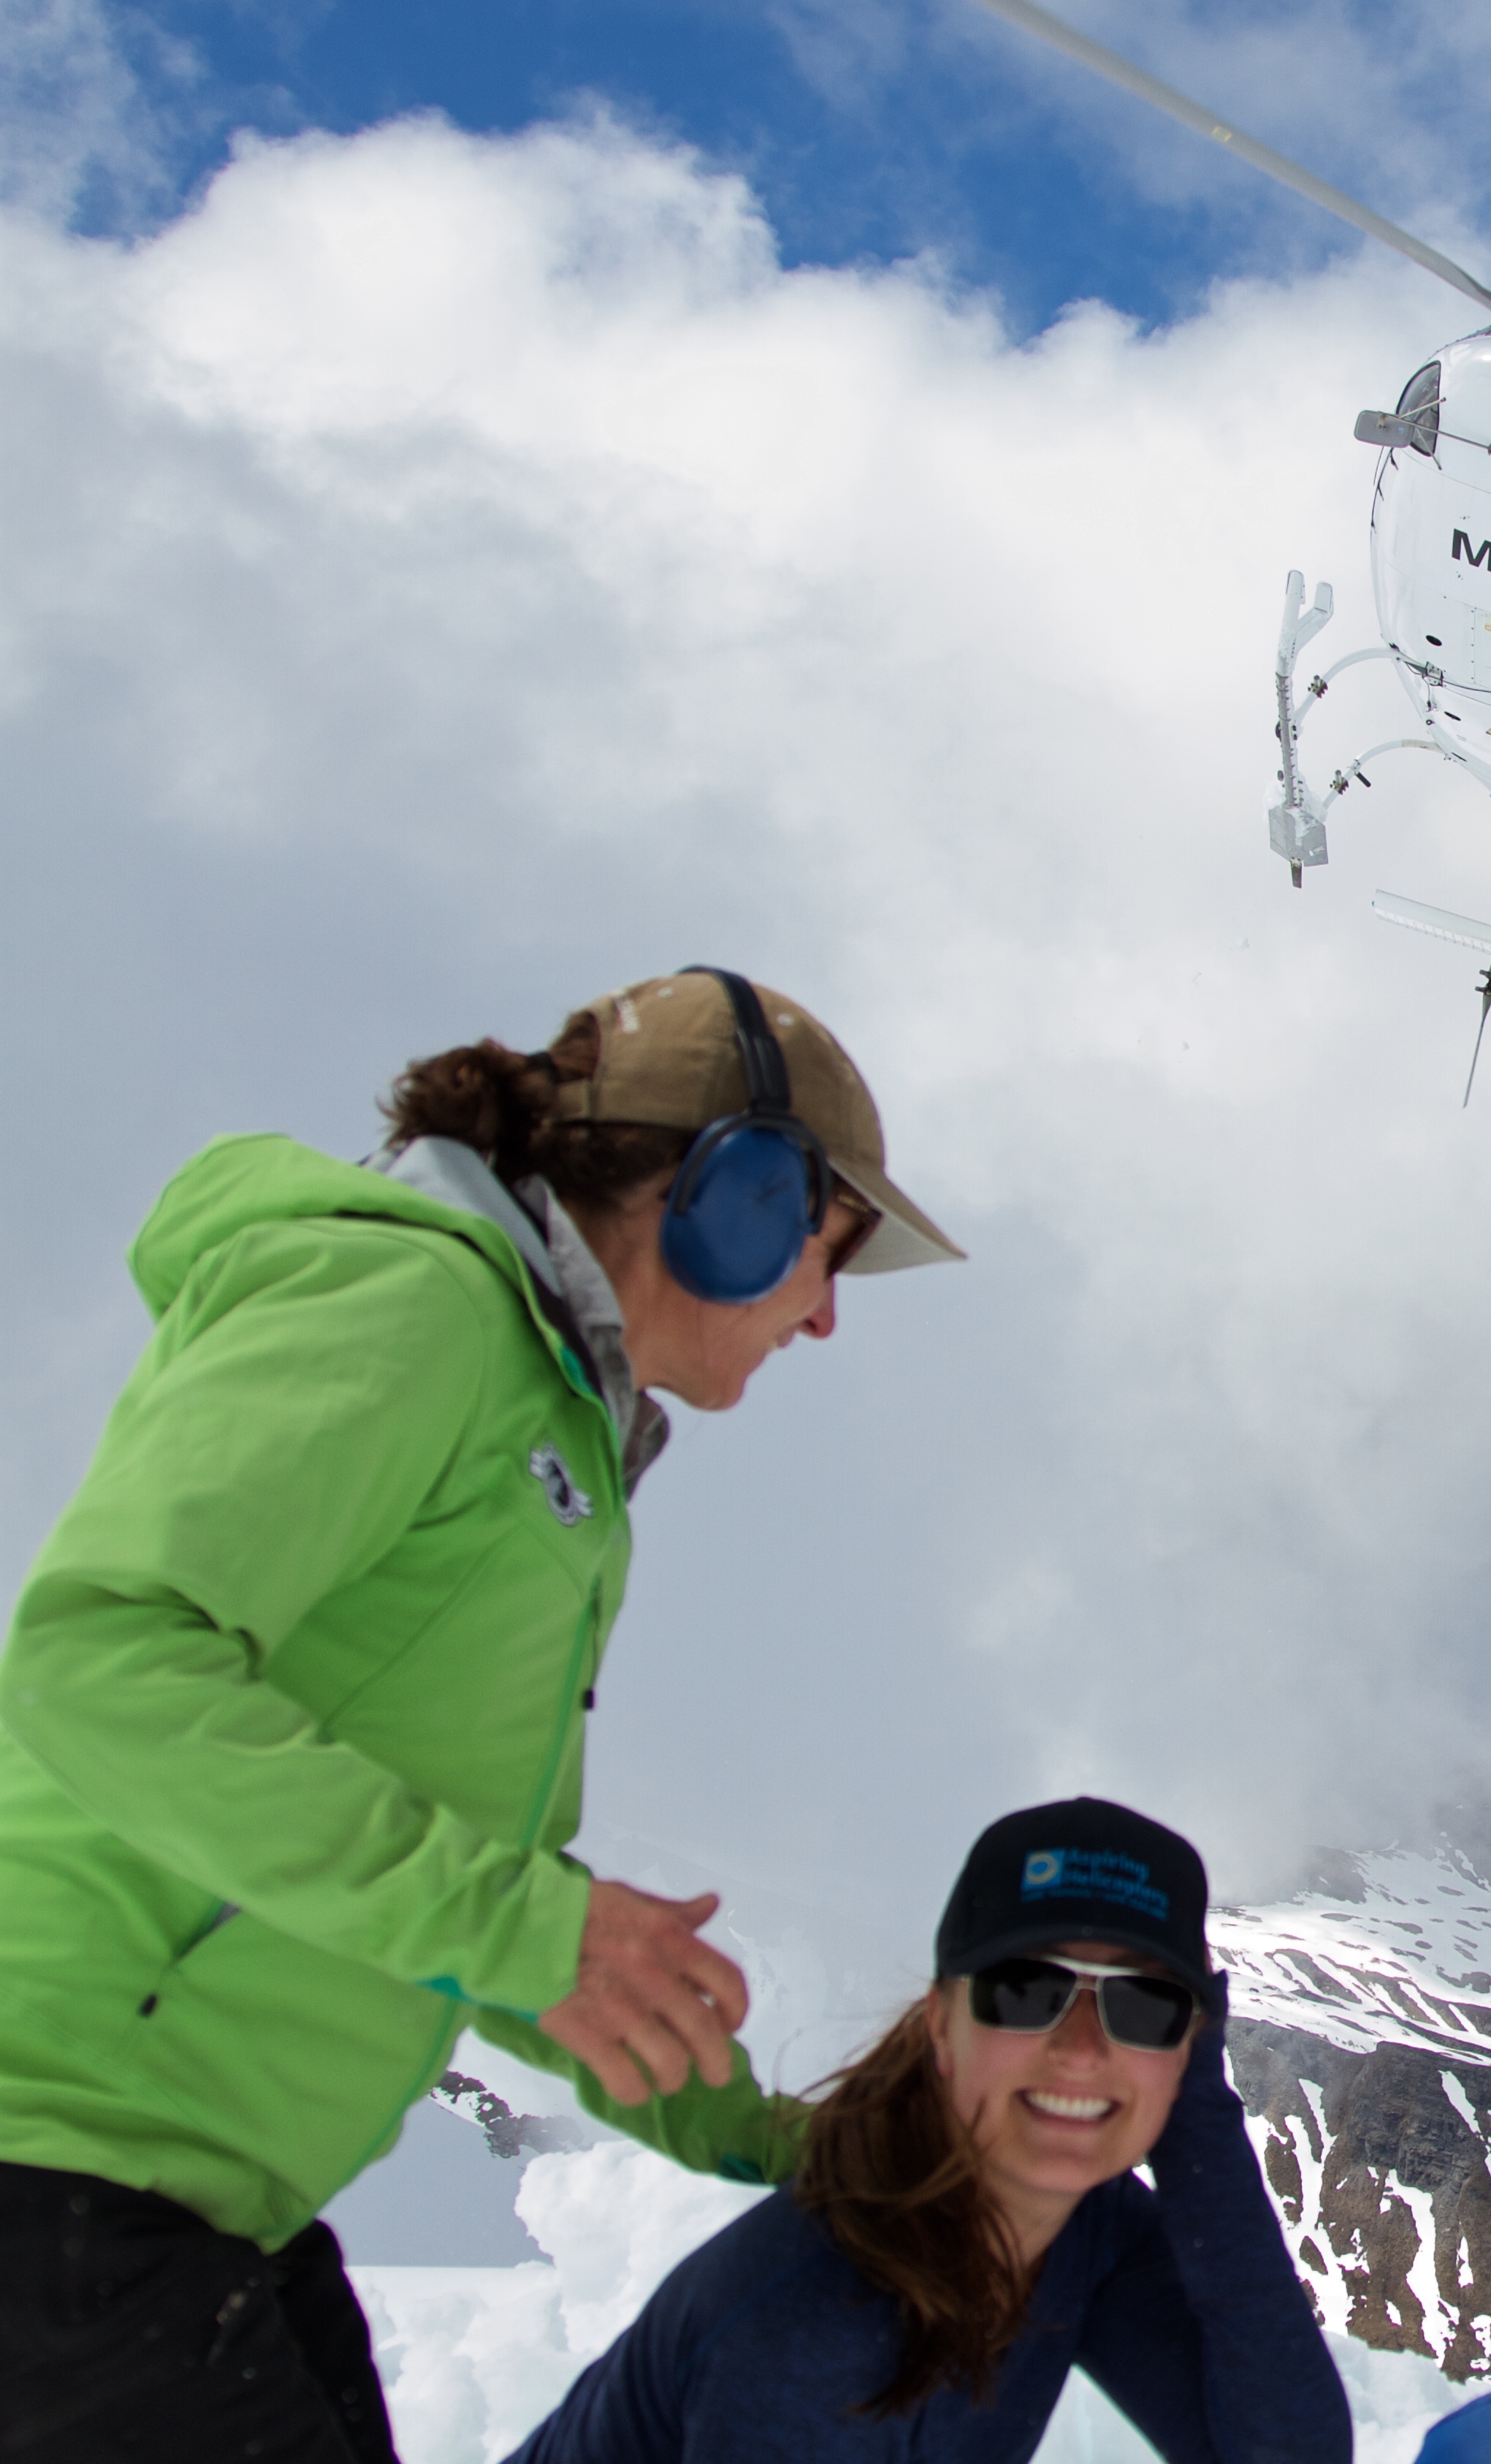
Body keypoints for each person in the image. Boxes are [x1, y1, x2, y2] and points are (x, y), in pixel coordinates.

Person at [0, 968, 961, 2464]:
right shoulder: (414, 1302)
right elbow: (96, 1655)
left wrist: (767, 2139)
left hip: (187, 2215)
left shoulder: (551, 1423)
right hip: (53, 2181)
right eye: (827, 1253)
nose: (827, 1318)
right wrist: (526, 1928)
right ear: (738, 1201)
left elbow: (466, 1897)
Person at [510, 1797, 1352, 2464]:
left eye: (1144, 2007)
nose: (1085, 2050)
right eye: (1027, 1993)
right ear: (941, 2026)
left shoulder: (1081, 2228)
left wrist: (1188, 2106)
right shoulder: (816, 2337)